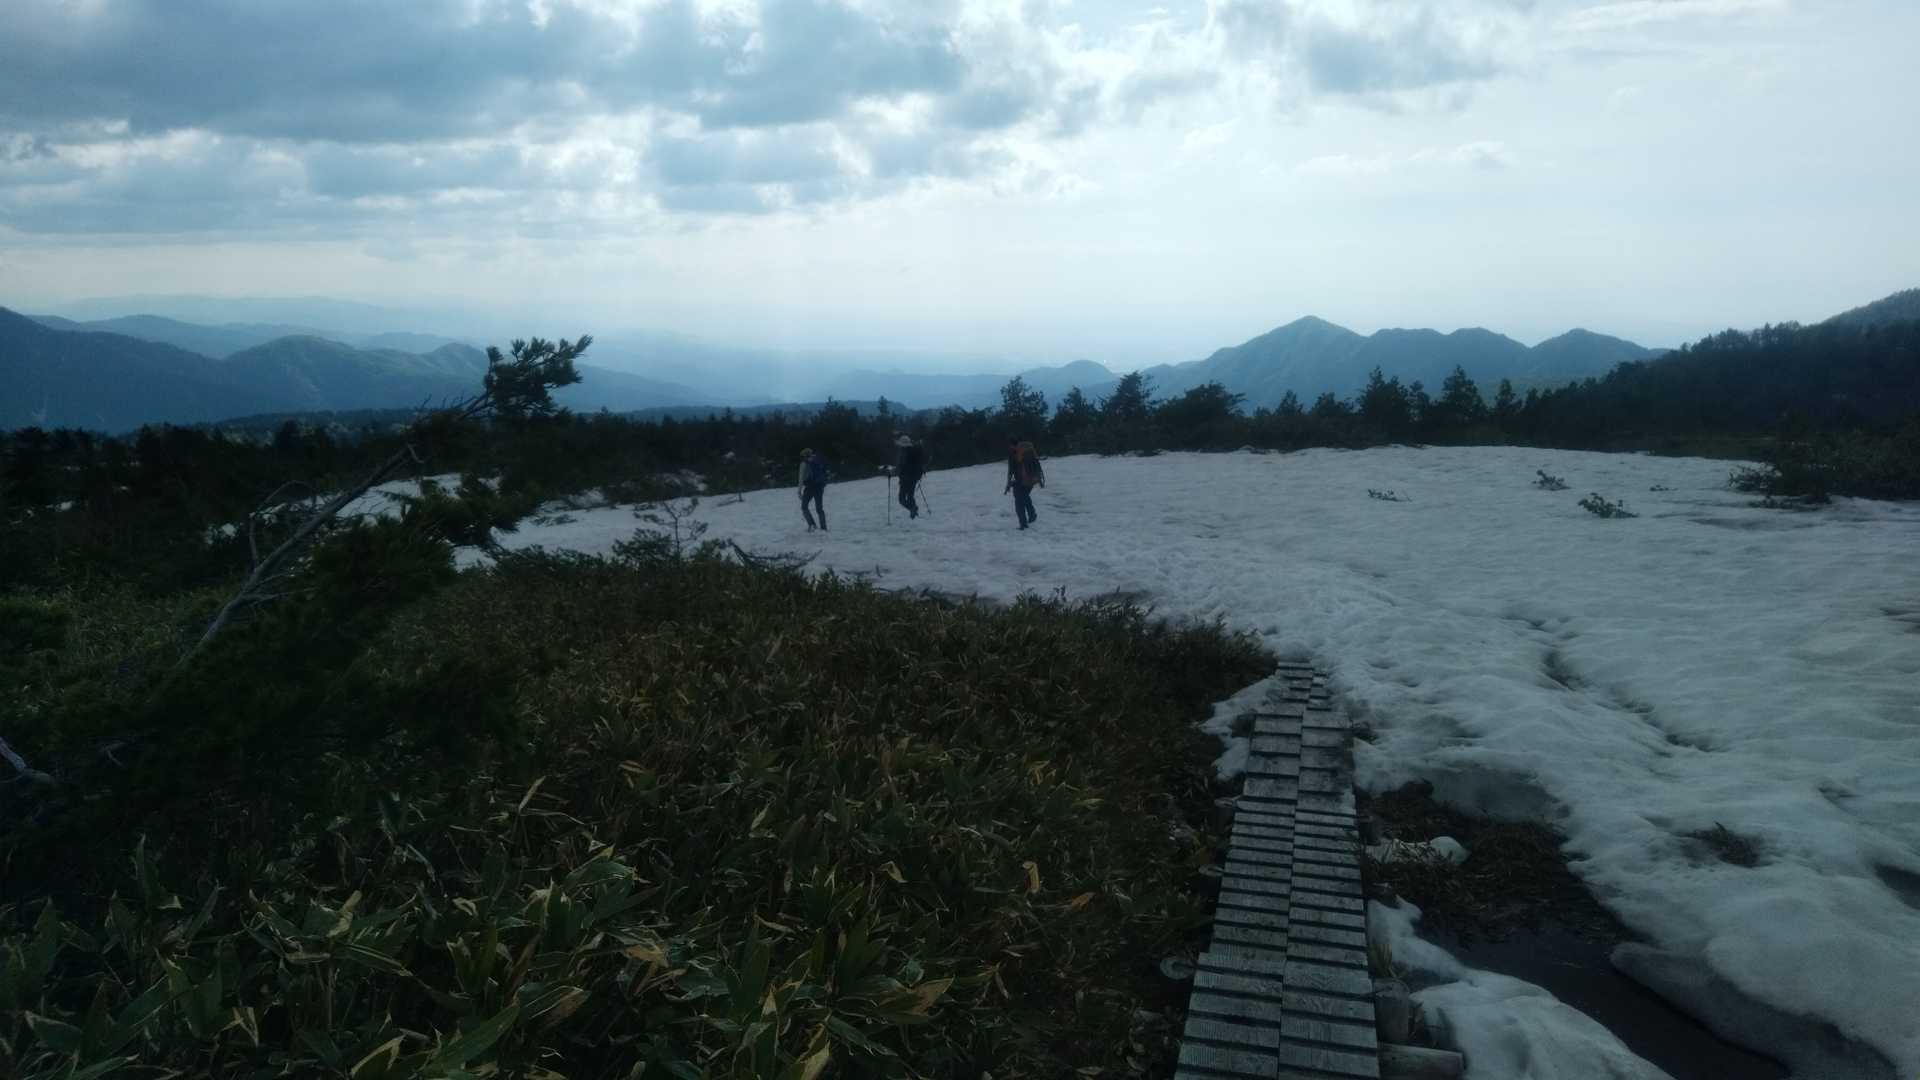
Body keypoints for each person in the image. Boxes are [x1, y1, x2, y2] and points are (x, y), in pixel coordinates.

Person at [1005, 437, 1045, 529]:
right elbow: (1037, 464)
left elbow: (1011, 470)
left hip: (1020, 481)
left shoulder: (1013, 454)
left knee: (1019, 502)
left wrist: (1008, 483)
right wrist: (1039, 479)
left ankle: (1023, 524)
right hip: (1032, 480)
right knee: (1025, 497)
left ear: (1011, 445)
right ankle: (1032, 515)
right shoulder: (1029, 451)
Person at [893, 433, 927, 519]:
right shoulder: (911, 452)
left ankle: (913, 509)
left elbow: (902, 467)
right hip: (913, 478)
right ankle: (913, 510)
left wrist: (894, 471)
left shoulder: (906, 453)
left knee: (901, 499)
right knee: (910, 496)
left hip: (906, 479)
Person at [798, 448, 828, 531]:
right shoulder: (818, 461)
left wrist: (799, 491)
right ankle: (823, 528)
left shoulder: (804, 464)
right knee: (819, 508)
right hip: (819, 487)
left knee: (804, 507)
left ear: (804, 455)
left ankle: (812, 525)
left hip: (809, 487)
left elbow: (801, 478)